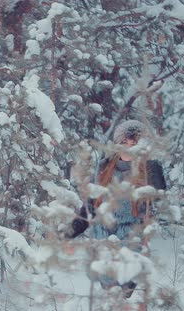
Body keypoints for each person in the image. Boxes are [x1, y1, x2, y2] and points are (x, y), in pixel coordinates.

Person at [68, 119, 166, 297]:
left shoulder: (147, 169)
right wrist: (70, 230)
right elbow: (91, 205)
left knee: (124, 296)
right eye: (124, 143)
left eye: (133, 143)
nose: (128, 147)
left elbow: (158, 196)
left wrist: (152, 165)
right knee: (108, 297)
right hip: (103, 240)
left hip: (131, 241)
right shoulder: (104, 167)